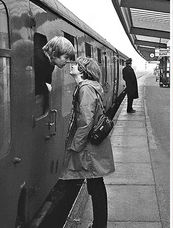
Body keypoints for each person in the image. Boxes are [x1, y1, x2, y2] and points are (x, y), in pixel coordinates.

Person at [61, 57, 115, 228]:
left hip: (89, 147)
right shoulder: (89, 87)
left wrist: (75, 146)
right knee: (95, 184)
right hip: (92, 145)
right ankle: (99, 224)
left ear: (83, 71)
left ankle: (99, 225)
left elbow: (85, 121)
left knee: (96, 185)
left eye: (77, 65)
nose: (73, 65)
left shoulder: (85, 89)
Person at [34, 36, 75, 112]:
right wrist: (45, 87)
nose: (68, 61)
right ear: (54, 53)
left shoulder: (50, 64)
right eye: (66, 57)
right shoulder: (38, 62)